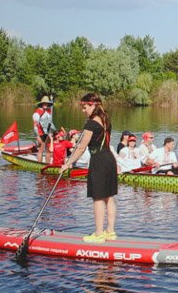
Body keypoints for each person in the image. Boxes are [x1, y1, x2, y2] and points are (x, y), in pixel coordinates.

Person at [62, 93, 118, 242]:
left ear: (93, 105)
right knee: (109, 196)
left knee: (98, 197)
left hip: (99, 160)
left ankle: (99, 234)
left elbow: (80, 148)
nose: (83, 110)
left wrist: (68, 163)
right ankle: (110, 232)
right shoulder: (106, 119)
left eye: (85, 107)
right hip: (109, 159)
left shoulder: (91, 124)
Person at [33, 95, 55, 163]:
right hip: (40, 133)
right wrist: (37, 135)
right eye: (44, 103)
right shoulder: (38, 112)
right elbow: (35, 124)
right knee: (41, 149)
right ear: (42, 104)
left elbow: (50, 123)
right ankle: (39, 164)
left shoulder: (49, 111)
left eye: (47, 103)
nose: (45, 104)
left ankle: (47, 164)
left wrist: (53, 131)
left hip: (47, 133)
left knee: (48, 150)